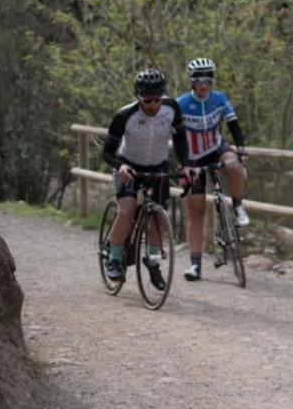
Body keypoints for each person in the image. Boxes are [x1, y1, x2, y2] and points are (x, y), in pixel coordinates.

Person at [101, 68, 189, 289]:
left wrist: (186, 165)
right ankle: (113, 258)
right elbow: (107, 152)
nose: (152, 105)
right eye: (147, 101)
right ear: (137, 97)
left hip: (158, 165)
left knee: (157, 218)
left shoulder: (171, 108)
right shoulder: (124, 116)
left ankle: (152, 262)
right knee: (126, 211)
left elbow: (180, 139)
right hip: (128, 166)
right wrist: (120, 166)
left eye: (156, 100)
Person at [176, 57, 250, 282]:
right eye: (199, 80)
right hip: (192, 157)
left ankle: (238, 207)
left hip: (216, 147)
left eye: (208, 79)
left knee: (235, 165)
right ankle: (195, 265)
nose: (204, 84)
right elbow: (177, 138)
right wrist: (184, 165)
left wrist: (241, 147)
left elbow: (233, 126)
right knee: (196, 210)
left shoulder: (219, 99)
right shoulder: (180, 104)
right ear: (192, 81)